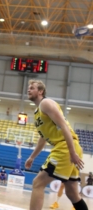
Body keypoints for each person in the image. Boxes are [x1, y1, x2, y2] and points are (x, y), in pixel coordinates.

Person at [24, 80, 87, 210]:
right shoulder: (38, 113)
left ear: (40, 91)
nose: (28, 90)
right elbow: (43, 138)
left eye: (32, 88)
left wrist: (72, 152)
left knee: (38, 183)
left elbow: (63, 125)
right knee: (72, 192)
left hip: (65, 147)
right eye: (28, 88)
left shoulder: (46, 103)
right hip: (69, 147)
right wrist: (32, 157)